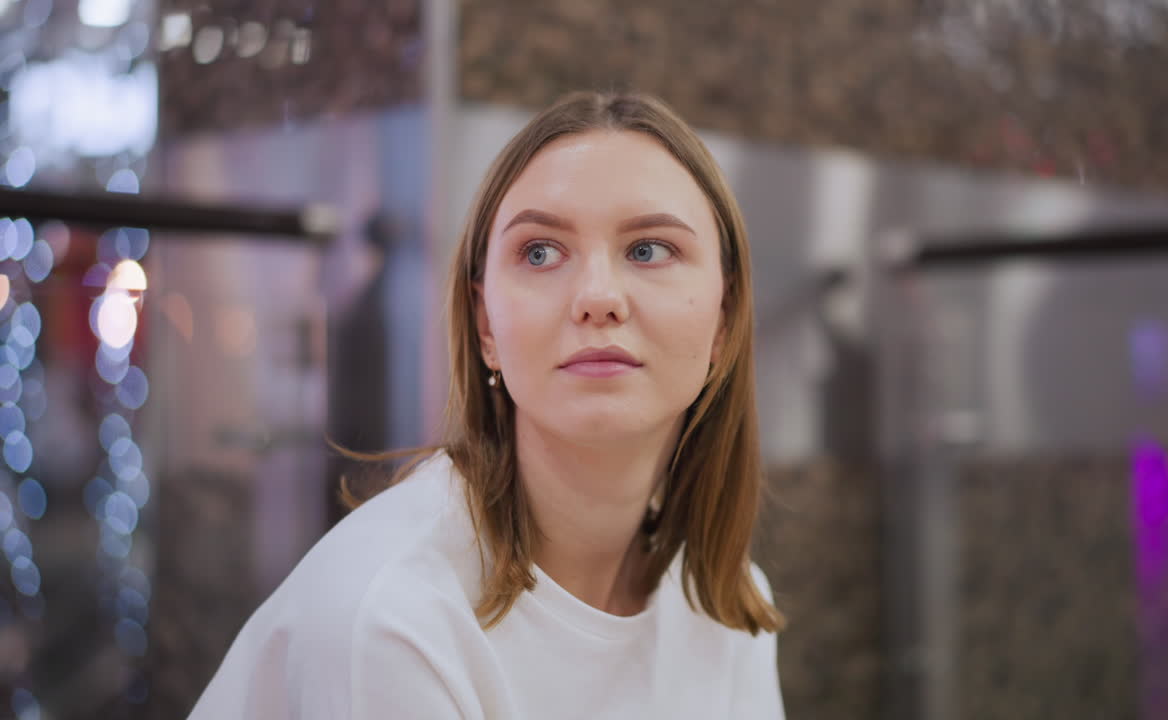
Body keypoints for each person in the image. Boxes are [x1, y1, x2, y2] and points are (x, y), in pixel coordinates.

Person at [188, 91, 786, 719]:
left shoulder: (726, 604)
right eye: (540, 252)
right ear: (486, 327)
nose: (598, 297)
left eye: (648, 249)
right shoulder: (391, 615)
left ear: (724, 320)